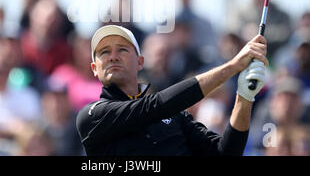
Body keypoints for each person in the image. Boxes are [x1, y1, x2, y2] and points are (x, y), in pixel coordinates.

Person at [76, 25, 268, 156]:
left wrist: (245, 96)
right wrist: (233, 66)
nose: (113, 57)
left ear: (140, 62)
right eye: (104, 52)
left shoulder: (176, 117)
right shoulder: (92, 116)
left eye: (122, 50)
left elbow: (225, 153)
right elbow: (156, 106)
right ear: (94, 68)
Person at [227, 0, 292, 59]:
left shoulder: (282, 14)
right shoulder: (238, 11)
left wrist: (258, 34)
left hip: (273, 59)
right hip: (245, 58)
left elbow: (285, 33)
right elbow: (233, 31)